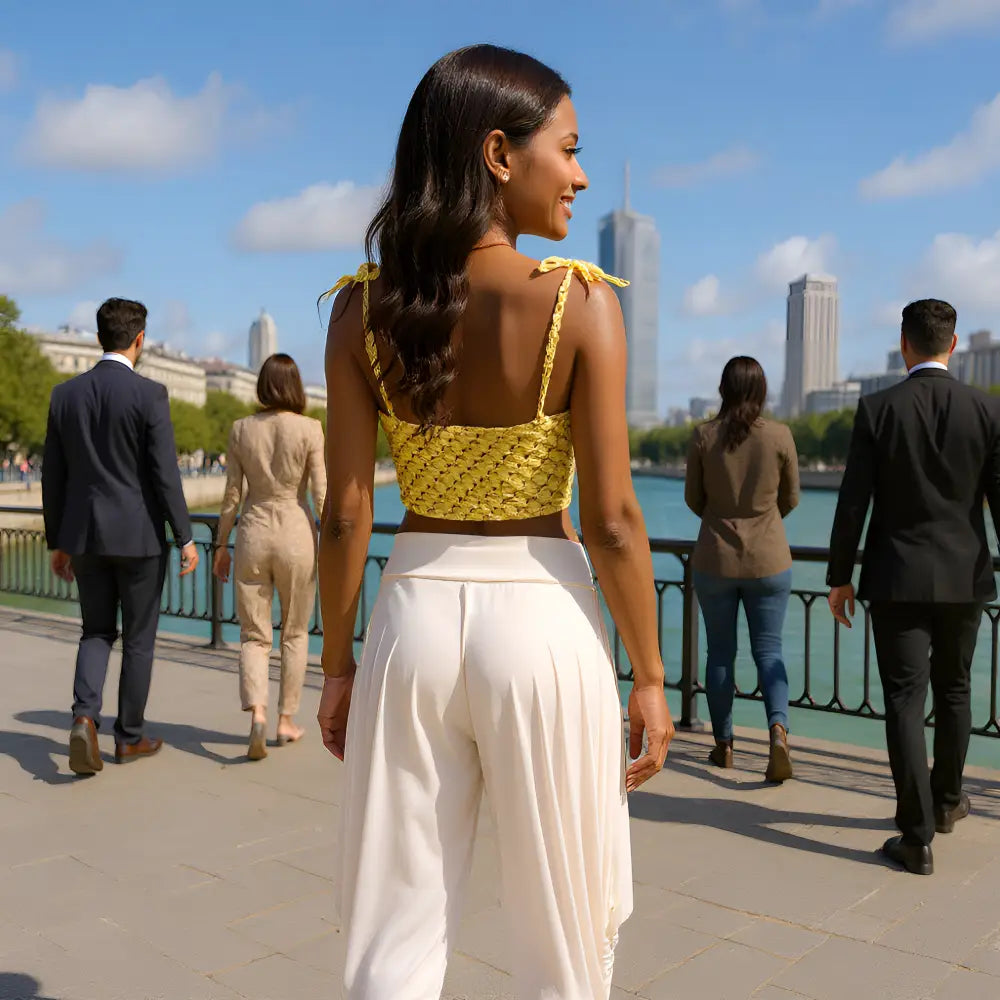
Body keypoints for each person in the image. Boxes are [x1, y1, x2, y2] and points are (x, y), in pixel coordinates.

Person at [316, 44, 673, 1000]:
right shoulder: (578, 303)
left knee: (394, 931)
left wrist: (338, 664)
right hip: (543, 623)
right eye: (569, 147)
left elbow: (346, 515)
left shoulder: (359, 314)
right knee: (562, 933)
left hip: (414, 621)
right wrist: (647, 674)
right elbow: (614, 522)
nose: (582, 172)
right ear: (500, 155)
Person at [827, 299, 1000, 876]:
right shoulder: (985, 410)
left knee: (905, 701)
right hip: (966, 574)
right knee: (955, 692)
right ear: (952, 346)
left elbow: (853, 501)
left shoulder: (878, 408)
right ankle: (949, 802)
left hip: (896, 576)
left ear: (904, 344)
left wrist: (839, 577)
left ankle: (916, 835)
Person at [42, 298, 199, 776]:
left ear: (97, 339)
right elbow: (163, 475)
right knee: (139, 641)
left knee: (94, 631)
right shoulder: (150, 395)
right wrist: (186, 536)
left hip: (85, 535)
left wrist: (58, 541)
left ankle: (84, 718)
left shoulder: (65, 395)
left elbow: (53, 475)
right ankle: (128, 738)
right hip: (140, 538)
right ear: (140, 340)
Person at [685, 357, 800, 781]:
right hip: (769, 560)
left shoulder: (703, 436)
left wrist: (720, 519)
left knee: (719, 653)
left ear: (723, 389)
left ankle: (725, 746)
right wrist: (764, 524)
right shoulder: (780, 436)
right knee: (769, 652)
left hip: (714, 558)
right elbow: (791, 498)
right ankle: (777, 732)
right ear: (762, 391)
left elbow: (693, 499)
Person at [212, 354, 326, 760]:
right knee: (295, 633)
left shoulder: (242, 429)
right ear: (295, 387)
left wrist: (221, 545)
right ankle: (285, 719)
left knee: (253, 635)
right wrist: (330, 542)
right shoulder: (310, 429)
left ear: (262, 385)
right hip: (295, 532)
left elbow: (231, 496)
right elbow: (321, 494)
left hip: (254, 531)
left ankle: (257, 713)